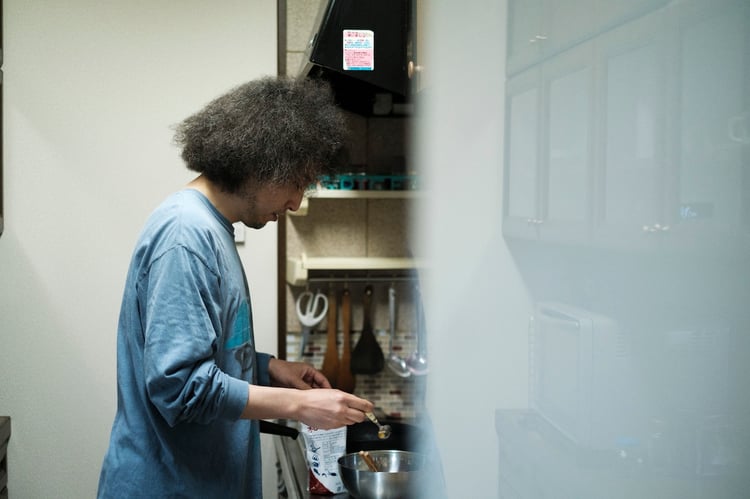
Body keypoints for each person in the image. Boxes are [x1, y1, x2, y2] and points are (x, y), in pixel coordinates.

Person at [97, 76, 374, 498]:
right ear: (263, 162)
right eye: (298, 182)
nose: (296, 202)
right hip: (170, 487)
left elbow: (205, 353)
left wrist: (267, 368)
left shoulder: (211, 228)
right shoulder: (185, 235)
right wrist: (300, 405)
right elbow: (180, 388)